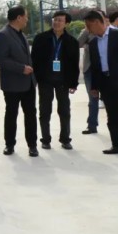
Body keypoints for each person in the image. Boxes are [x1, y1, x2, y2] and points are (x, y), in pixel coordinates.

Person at [85, 10, 118, 160]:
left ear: (97, 22)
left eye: (89, 25)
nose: (87, 29)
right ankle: (117, 145)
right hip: (105, 83)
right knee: (112, 116)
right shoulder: (93, 43)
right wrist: (94, 87)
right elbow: (95, 67)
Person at [31, 10, 80, 150]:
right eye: (55, 19)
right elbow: (34, 59)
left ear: (66, 24)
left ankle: (65, 139)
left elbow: (74, 64)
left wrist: (74, 83)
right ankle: (45, 139)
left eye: (60, 20)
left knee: (64, 111)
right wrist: (35, 79)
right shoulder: (41, 38)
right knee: (44, 111)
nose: (56, 22)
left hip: (63, 81)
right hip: (45, 80)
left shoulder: (72, 42)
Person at [0, 5, 39, 157]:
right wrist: (21, 68)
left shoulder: (21, 34)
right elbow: (0, 58)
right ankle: (9, 144)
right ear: (19, 17)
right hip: (12, 84)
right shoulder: (3, 35)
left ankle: (32, 145)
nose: (27, 19)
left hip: (29, 83)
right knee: (11, 114)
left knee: (31, 115)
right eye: (25, 16)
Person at [78, 25, 100, 134]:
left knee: (110, 99)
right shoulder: (86, 31)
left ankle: (115, 124)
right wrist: (87, 30)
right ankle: (92, 125)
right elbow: (78, 44)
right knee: (93, 99)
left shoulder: (107, 32)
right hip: (90, 70)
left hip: (104, 70)